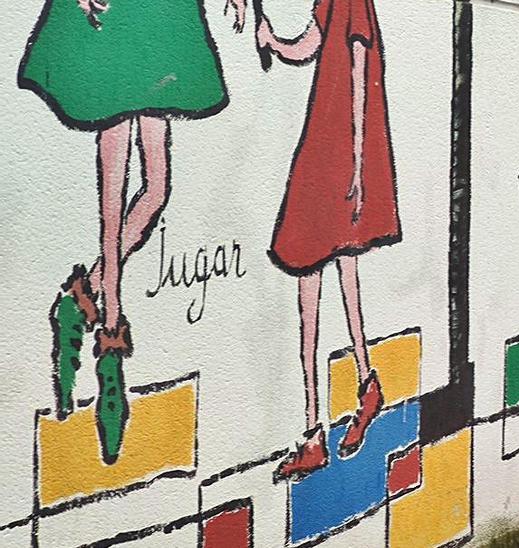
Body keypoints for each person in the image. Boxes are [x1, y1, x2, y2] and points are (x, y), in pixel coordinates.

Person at [21, 0, 246, 464]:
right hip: (110, 23)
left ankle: (84, 295)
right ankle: (109, 329)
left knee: (156, 189)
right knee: (113, 190)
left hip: (159, 25)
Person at [256, 0, 400, 480]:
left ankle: (326, 419)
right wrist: (273, 41)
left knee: (322, 276)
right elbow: (310, 46)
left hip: (337, 150)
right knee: (326, 274)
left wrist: (358, 165)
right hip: (326, 145)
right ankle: (356, 391)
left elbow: (359, 75)